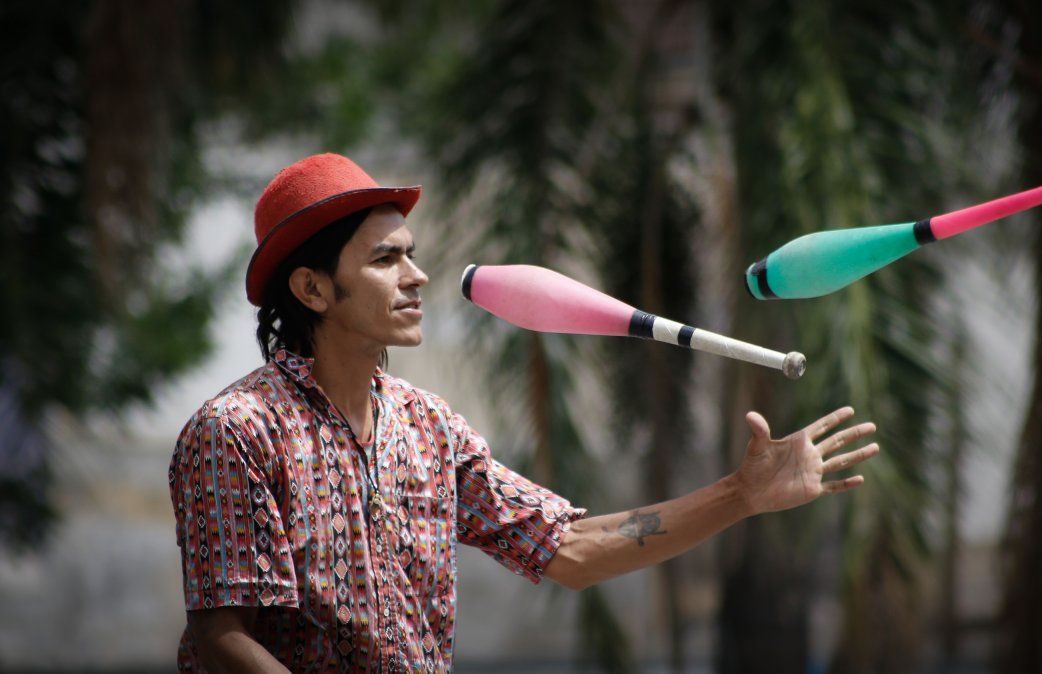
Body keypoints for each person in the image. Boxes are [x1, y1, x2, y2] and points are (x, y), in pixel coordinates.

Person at [168, 153, 880, 672]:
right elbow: (223, 635)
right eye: (386, 260)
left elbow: (566, 550)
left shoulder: (428, 427)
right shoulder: (237, 430)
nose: (417, 277)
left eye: (412, 256)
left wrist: (741, 495)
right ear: (313, 288)